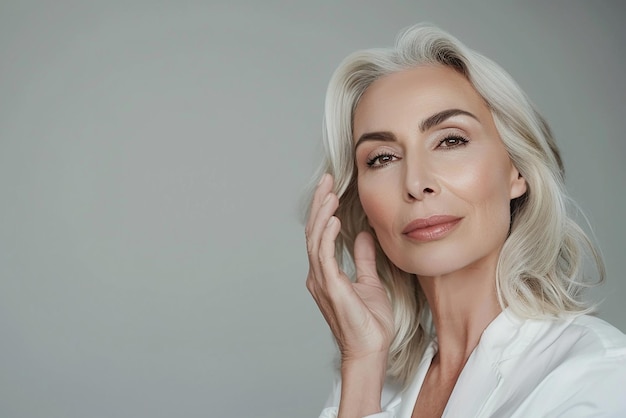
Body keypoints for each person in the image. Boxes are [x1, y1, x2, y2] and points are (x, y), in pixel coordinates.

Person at [304, 23, 626, 418]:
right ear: (362, 202)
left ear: (516, 171)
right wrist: (363, 362)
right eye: (382, 158)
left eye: (450, 140)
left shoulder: (597, 373)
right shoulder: (372, 377)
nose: (416, 183)